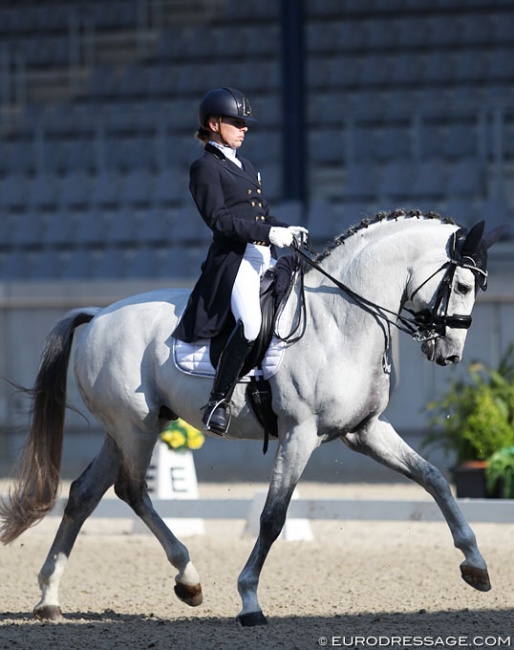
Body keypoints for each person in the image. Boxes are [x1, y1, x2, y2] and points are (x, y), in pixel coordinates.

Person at [172, 87, 308, 436]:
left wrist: (284, 230)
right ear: (214, 124)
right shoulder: (204, 168)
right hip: (234, 260)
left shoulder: (244, 164)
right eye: (236, 122)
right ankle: (218, 400)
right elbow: (219, 220)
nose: (244, 128)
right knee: (249, 324)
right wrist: (268, 234)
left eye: (245, 123)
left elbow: (260, 215)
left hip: (263, 255)